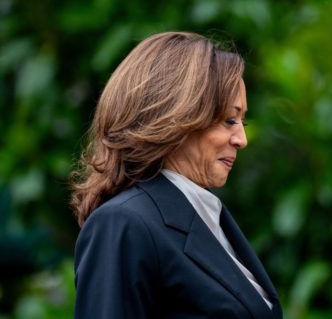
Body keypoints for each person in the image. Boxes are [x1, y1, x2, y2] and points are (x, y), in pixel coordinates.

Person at [70, 31, 282, 318]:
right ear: (178, 116)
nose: (241, 139)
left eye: (242, 120)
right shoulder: (122, 223)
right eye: (229, 120)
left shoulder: (205, 217)